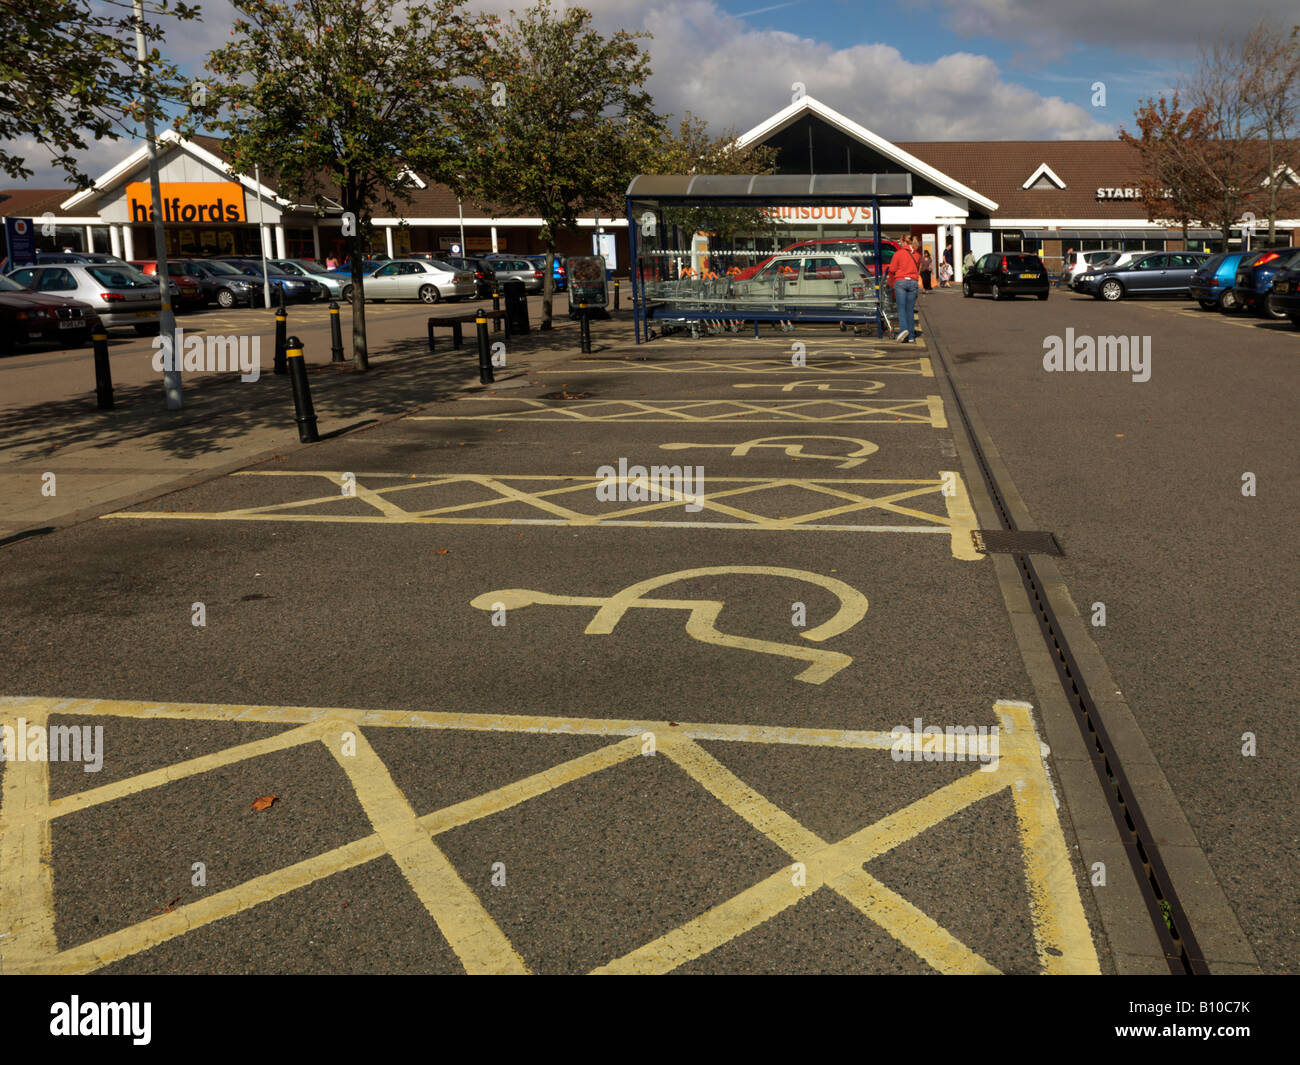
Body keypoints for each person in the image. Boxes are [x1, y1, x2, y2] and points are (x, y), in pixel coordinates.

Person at [886, 236, 921, 343]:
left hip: (901, 282)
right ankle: (911, 337)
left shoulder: (898, 254)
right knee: (909, 310)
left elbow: (892, 270)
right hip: (913, 282)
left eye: (901, 242)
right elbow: (917, 268)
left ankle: (903, 330)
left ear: (904, 242)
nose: (900, 244)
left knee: (901, 308)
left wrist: (889, 281)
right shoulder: (917, 255)